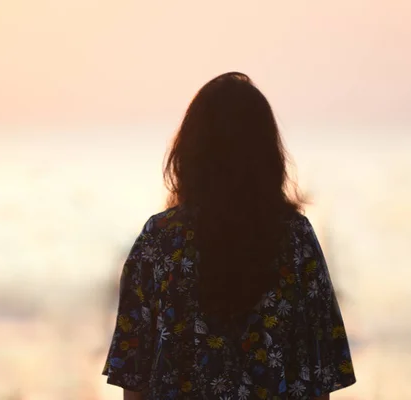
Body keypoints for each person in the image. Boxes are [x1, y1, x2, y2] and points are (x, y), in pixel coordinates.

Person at [102, 72, 356, 399]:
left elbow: (132, 376)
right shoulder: (296, 239)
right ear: (267, 153)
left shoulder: (160, 240)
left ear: (190, 151)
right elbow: (322, 372)